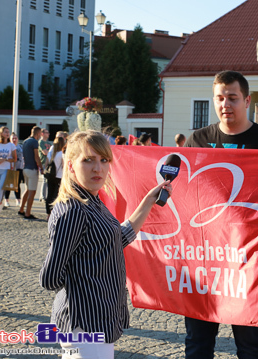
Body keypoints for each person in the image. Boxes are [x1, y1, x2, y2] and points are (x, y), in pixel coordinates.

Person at [39, 130, 172, 358]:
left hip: (99, 321)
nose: (97, 168)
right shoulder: (74, 210)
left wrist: (148, 202)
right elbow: (49, 278)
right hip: (83, 324)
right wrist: (85, 285)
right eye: (87, 160)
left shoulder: (92, 201)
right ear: (71, 166)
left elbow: (116, 239)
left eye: (103, 160)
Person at [183, 70, 258, 359]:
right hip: (205, 259)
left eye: (232, 98)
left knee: (251, 343)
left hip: (247, 260)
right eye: (219, 98)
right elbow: (183, 192)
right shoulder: (198, 140)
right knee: (198, 342)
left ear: (247, 100)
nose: (225, 104)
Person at [19, 126, 43, 220]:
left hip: (25, 168)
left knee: (27, 190)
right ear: (38, 134)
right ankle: (28, 213)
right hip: (32, 169)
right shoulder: (34, 142)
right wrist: (41, 167)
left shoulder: (25, 141)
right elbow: (36, 156)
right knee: (32, 192)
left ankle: (21, 209)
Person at [45, 136, 65, 217]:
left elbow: (46, 164)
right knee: (56, 195)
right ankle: (54, 213)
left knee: (49, 195)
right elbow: (64, 165)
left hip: (50, 176)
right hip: (59, 176)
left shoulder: (51, 152)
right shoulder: (61, 154)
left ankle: (48, 214)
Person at [3, 133, 24, 207]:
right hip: (10, 167)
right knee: (8, 185)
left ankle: (18, 200)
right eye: (13, 138)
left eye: (16, 138)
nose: (14, 140)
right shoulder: (8, 147)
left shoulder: (20, 147)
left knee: (17, 184)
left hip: (19, 167)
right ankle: (6, 200)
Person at [38, 128, 52, 202]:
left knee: (47, 180)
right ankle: (42, 197)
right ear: (42, 133)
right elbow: (45, 152)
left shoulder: (49, 143)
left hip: (49, 163)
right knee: (44, 180)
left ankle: (44, 196)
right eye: (47, 133)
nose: (48, 134)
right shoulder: (40, 142)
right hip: (43, 163)